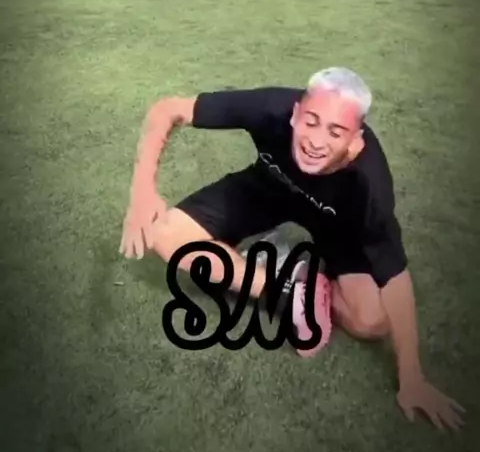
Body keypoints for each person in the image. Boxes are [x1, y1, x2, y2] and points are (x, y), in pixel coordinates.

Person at [119, 67, 465, 430]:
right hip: (270, 188)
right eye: (311, 121)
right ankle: (286, 285)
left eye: (335, 132)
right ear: (296, 114)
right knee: (165, 235)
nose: (316, 141)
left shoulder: (369, 184)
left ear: (355, 141)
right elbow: (168, 109)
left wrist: (412, 377)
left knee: (372, 322)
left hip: (335, 224)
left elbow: (395, 276)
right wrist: (142, 191)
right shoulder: (271, 107)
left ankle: (301, 270)